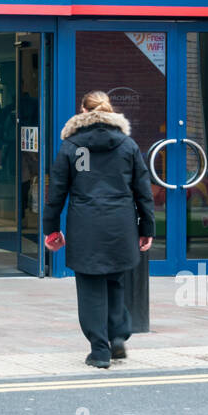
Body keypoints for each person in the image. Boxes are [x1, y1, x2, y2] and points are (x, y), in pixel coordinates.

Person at [42, 90, 156, 369]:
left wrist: (51, 229)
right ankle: (117, 337)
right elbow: (143, 191)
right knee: (115, 281)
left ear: (83, 112)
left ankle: (100, 350)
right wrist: (147, 228)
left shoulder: (71, 146)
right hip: (120, 224)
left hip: (85, 225)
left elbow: (56, 192)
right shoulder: (127, 145)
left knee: (91, 286)